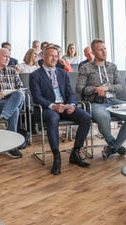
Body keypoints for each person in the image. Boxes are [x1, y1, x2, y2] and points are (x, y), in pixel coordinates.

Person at [29, 46, 92, 174]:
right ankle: (56, 157)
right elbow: (37, 97)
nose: (54, 59)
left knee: (86, 117)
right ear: (43, 57)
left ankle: (75, 153)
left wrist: (71, 105)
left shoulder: (62, 73)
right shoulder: (35, 75)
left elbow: (70, 93)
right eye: (51, 56)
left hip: (65, 106)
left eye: (56, 56)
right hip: (47, 108)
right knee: (53, 117)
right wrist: (53, 106)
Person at [77, 39, 126, 159]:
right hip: (95, 102)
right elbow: (79, 88)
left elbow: (119, 86)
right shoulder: (85, 68)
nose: (104, 51)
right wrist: (95, 89)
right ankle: (116, 145)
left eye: (105, 48)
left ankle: (114, 146)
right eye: (100, 49)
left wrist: (108, 88)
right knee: (104, 118)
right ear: (93, 52)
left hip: (112, 101)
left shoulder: (112, 67)